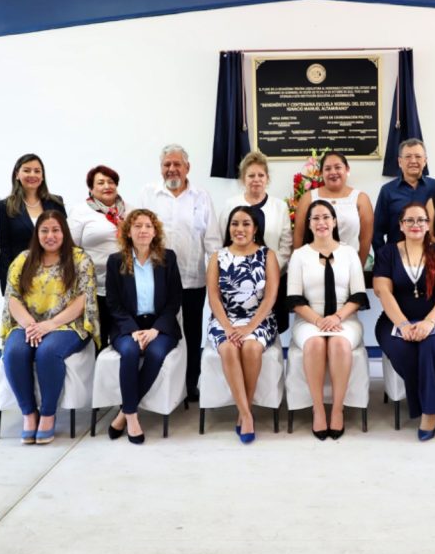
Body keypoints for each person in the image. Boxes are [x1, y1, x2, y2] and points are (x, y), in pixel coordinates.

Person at [0, 211, 99, 444]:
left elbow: (83, 300)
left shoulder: (79, 259)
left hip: (68, 325)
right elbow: (12, 297)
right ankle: (29, 414)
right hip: (28, 323)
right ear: (37, 234)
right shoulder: (23, 259)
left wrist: (50, 325)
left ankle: (47, 414)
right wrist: (31, 325)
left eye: (56, 230)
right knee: (14, 352)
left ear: (64, 232)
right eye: (44, 231)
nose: (50, 235)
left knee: (47, 352)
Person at [374, 203, 435, 441]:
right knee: (402, 348)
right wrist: (403, 324)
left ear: (428, 225)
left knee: (433, 346)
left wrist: (429, 322)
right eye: (409, 220)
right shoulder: (387, 253)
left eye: (421, 220)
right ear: (401, 225)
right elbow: (383, 291)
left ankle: (429, 414)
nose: (416, 225)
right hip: (396, 318)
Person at [139, 144, 219, 402]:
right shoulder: (149, 194)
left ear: (187, 168)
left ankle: (190, 384)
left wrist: (215, 279)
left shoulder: (201, 197)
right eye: (167, 164)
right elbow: (137, 235)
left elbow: (213, 242)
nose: (172, 169)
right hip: (155, 282)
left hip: (192, 279)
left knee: (192, 334)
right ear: (160, 168)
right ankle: (160, 387)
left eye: (177, 164)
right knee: (161, 332)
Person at [287, 200, 369, 440]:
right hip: (308, 319)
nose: (321, 222)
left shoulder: (349, 253)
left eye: (326, 217)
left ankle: (337, 409)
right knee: (314, 343)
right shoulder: (299, 255)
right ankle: (318, 409)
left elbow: (358, 296)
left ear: (334, 222)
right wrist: (318, 320)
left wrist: (336, 317)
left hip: (345, 318)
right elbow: (294, 299)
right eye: (315, 218)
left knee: (339, 343)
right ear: (308, 224)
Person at [104, 209, 183, 444]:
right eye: (137, 226)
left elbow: (174, 300)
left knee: (155, 353)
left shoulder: (168, 258)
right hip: (127, 326)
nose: (143, 230)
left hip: (160, 326)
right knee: (129, 351)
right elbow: (113, 303)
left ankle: (123, 414)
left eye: (148, 226)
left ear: (155, 231)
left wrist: (155, 329)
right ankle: (133, 418)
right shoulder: (115, 261)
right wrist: (132, 330)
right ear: (128, 232)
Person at [206, 205, 280, 444]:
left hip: (260, 318)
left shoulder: (267, 255)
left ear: (255, 228)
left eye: (246, 224)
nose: (239, 229)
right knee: (228, 347)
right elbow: (213, 297)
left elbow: (270, 297)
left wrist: (250, 328)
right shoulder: (218, 256)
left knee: (250, 347)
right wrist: (228, 327)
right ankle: (247, 414)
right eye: (235, 223)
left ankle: (243, 411)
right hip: (225, 319)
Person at [220, 151, 293, 332]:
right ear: (243, 178)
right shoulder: (230, 205)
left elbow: (286, 245)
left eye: (261, 175)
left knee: (272, 329)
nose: (256, 180)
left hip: (274, 278)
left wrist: (270, 272)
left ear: (267, 178)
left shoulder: (280, 207)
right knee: (240, 330)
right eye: (251, 175)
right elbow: (223, 241)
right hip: (238, 282)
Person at [68, 164, 129, 348]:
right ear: (91, 188)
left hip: (124, 285)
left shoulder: (129, 211)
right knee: (97, 338)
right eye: (100, 183)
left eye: (111, 182)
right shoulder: (81, 211)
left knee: (122, 337)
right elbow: (71, 249)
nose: (107, 186)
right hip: (93, 286)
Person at [0, 153, 65, 294]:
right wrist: (7, 285)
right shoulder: (5, 206)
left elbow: (64, 239)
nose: (32, 175)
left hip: (55, 276)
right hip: (22, 277)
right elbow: (4, 248)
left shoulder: (56, 202)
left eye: (37, 171)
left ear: (42, 176)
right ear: (17, 174)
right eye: (27, 170)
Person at [293, 151, 373, 267]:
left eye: (338, 167)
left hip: (349, 264)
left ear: (347, 169)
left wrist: (358, 267)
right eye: (328, 169)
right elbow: (299, 236)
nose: (333, 172)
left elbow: (365, 239)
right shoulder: (308, 198)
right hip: (314, 265)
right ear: (321, 173)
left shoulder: (361, 198)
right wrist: (299, 266)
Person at [372, 139, 435, 259]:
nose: (413, 161)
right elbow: (377, 232)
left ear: (425, 161)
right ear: (400, 162)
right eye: (408, 157)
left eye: (418, 156)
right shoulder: (387, 191)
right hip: (397, 258)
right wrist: (383, 257)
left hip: (431, 257)